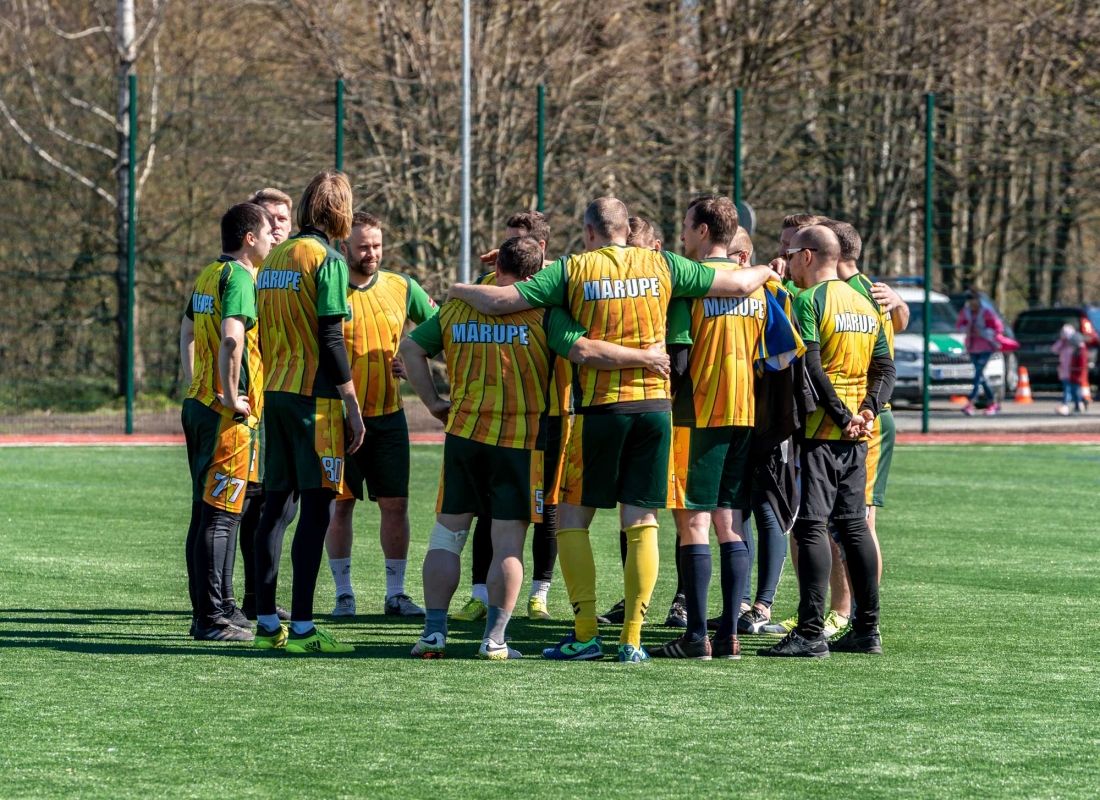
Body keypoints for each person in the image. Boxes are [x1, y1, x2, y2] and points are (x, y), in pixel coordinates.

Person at [447, 196, 780, 663]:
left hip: (600, 412)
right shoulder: (664, 265)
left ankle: (585, 634)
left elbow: (505, 301)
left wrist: (457, 287)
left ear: (588, 233)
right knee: (642, 521)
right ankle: (632, 639)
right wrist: (766, 270)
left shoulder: (573, 270)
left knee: (571, 519)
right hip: (658, 410)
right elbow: (740, 282)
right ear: (627, 229)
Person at [401, 236, 671, 659]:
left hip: (464, 435)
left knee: (448, 534)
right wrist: (646, 356)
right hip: (521, 442)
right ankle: (494, 640)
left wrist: (435, 402)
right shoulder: (545, 312)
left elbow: (411, 348)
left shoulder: (458, 306)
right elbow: (585, 351)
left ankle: (434, 632)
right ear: (533, 277)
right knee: (507, 542)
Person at [649, 196, 802, 660]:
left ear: (700, 231)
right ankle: (731, 634)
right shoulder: (765, 290)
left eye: (684, 226)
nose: (681, 235)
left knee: (691, 523)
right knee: (730, 522)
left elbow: (677, 357)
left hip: (697, 416)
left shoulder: (687, 287)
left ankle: (697, 637)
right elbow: (783, 355)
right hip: (746, 416)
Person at [758, 224, 894, 658]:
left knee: (811, 525)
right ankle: (866, 630)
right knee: (853, 527)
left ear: (809, 256)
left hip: (820, 431)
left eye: (792, 251)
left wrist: (841, 414)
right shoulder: (864, 303)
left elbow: (811, 367)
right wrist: (868, 410)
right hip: (856, 436)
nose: (789, 258)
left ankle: (811, 632)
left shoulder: (807, 300)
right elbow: (886, 368)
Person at [251, 170, 366, 654]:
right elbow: (332, 337)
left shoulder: (274, 256)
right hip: (313, 401)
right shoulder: (327, 260)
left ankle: (264, 622)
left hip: (275, 393)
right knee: (316, 509)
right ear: (340, 211)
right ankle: (301, 627)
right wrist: (352, 403)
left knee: (275, 509)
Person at [323, 211, 436, 618]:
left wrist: (415, 359)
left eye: (377, 246)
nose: (372, 254)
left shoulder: (402, 287)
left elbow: (443, 327)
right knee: (340, 506)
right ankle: (343, 594)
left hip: (388, 418)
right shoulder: (329, 288)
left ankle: (395, 593)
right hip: (337, 418)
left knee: (395, 505)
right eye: (363, 247)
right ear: (343, 248)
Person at [455, 210, 566, 622]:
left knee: (546, 507)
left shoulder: (558, 287)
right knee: (489, 507)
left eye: (515, 243)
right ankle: (480, 593)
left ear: (539, 248)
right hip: (492, 416)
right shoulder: (486, 286)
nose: (504, 251)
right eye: (506, 244)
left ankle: (540, 592)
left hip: (547, 414)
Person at [179, 202, 275, 641]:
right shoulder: (238, 278)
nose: (275, 236)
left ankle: (219, 609)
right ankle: (212, 619)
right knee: (221, 516)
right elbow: (233, 339)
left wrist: (197, 381)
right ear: (249, 238)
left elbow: (186, 332)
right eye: (269, 229)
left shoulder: (207, 274)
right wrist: (233, 394)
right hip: (223, 417)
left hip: (198, 405)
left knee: (205, 512)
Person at [233, 187, 296, 623]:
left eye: (283, 219)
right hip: (258, 405)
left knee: (279, 506)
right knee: (254, 504)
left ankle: (257, 598)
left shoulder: (292, 271)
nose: (277, 225)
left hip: (285, 399)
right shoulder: (245, 274)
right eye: (269, 218)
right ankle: (247, 600)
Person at [956, 289, 1004, 416]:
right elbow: (959, 325)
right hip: (972, 347)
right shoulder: (965, 312)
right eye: (969, 301)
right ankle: (994, 403)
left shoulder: (987, 312)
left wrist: (983, 331)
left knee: (977, 374)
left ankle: (970, 403)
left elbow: (998, 328)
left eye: (973, 300)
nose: (971, 304)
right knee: (981, 376)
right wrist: (966, 328)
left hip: (986, 347)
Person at [1053, 324, 1087, 415]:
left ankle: (1072, 404)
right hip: (1064, 371)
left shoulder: (1077, 346)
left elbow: (1082, 358)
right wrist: (1062, 343)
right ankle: (1071, 404)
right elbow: (1054, 349)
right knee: (1068, 389)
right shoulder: (1063, 344)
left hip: (1074, 372)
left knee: (1073, 389)